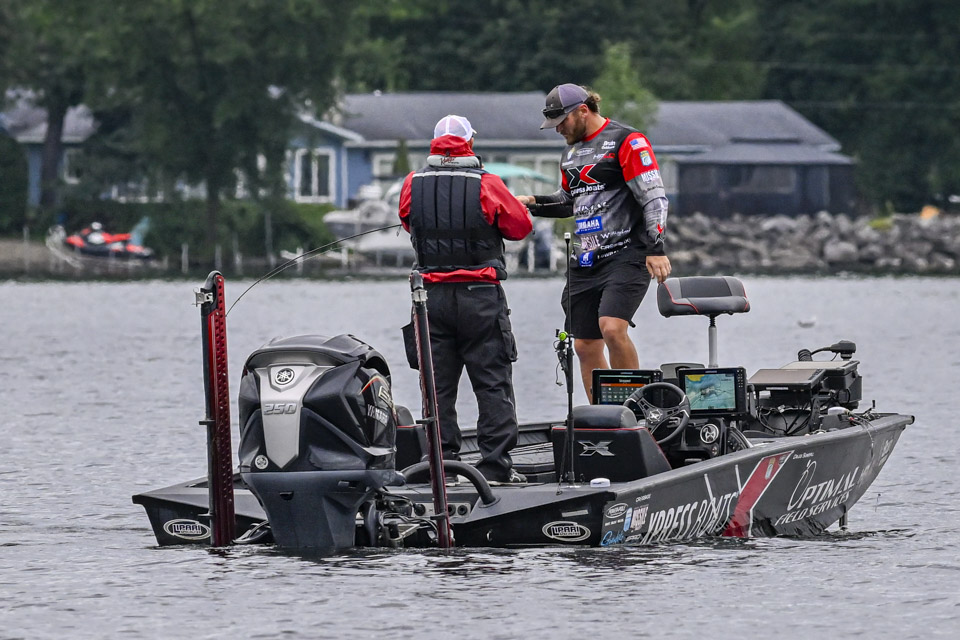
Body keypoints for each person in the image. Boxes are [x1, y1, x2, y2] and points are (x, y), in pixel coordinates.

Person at [398, 114, 533, 484]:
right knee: (492, 383)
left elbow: (408, 220)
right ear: (469, 143)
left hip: (430, 299)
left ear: (434, 143)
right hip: (480, 298)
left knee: (437, 386)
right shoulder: (487, 183)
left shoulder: (412, 182)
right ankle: (495, 467)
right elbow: (519, 227)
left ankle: (442, 467)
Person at [517, 84, 672, 402]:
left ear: (583, 111)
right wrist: (532, 202)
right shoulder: (570, 153)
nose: (558, 129)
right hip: (586, 259)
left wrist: (656, 248)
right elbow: (568, 202)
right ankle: (604, 415)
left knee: (612, 328)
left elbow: (653, 197)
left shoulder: (628, 141)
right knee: (584, 345)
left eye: (561, 121)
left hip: (627, 252)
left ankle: (635, 409)